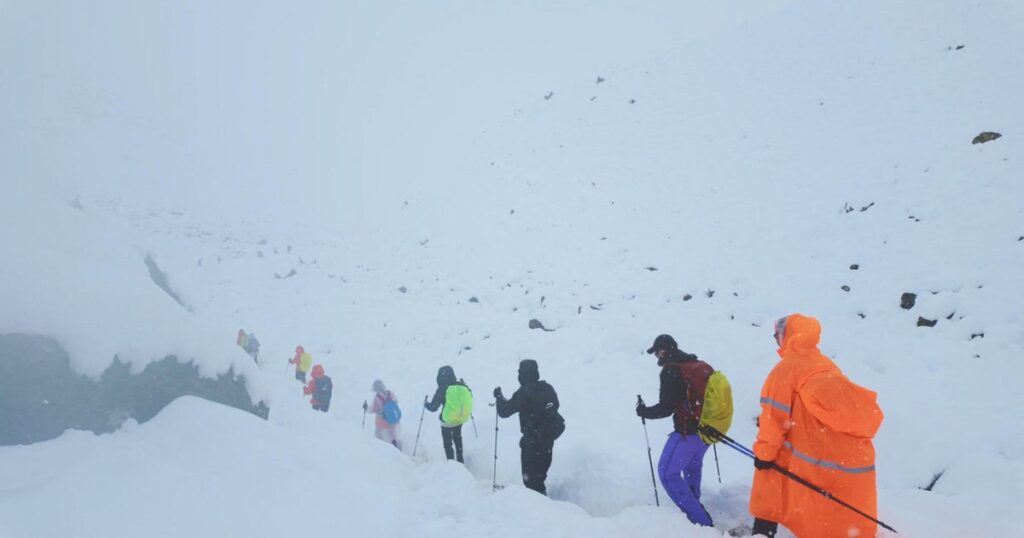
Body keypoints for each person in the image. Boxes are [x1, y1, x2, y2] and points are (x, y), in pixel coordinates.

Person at [749, 314, 883, 537]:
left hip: (806, 451)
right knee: (827, 504)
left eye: (777, 335)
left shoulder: (784, 371)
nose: (776, 340)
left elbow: (773, 421)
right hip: (838, 453)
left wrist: (764, 455)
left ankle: (763, 532)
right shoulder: (826, 364)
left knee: (769, 479)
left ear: (786, 336)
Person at [635, 334, 715, 527]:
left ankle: (701, 522)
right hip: (708, 432)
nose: (656, 356)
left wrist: (644, 412)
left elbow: (666, 407)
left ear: (663, 350)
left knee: (667, 473)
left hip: (688, 432)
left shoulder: (671, 369)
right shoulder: (695, 364)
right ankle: (695, 507)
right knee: (692, 467)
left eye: (656, 352)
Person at [494, 359, 565, 495]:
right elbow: (555, 405)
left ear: (522, 374)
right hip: (548, 441)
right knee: (539, 478)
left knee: (531, 481)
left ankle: (539, 505)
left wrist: (499, 397)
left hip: (532, 444)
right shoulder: (547, 388)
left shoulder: (523, 393)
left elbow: (505, 411)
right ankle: (543, 502)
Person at [424, 365, 471, 463]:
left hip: (447, 421)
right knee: (458, 438)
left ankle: (451, 463)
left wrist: (426, 404)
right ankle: (460, 459)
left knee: (447, 443)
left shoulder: (442, 388)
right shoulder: (460, 385)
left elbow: (433, 407)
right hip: (459, 419)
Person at [368, 379, 401, 449]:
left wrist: (366, 408)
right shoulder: (390, 393)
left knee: (378, 435)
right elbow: (395, 402)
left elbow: (373, 409)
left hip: (382, 421)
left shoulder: (377, 397)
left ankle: (381, 450)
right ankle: (397, 448)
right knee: (392, 435)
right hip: (393, 419)